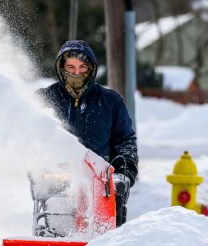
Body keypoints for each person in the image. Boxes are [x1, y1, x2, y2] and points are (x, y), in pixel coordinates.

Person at [36, 40, 138, 227]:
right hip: (58, 184)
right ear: (61, 67)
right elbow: (31, 138)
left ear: (91, 68)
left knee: (103, 235)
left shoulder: (110, 101)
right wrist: (37, 168)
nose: (76, 72)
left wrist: (125, 171)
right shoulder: (45, 98)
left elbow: (125, 141)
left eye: (82, 67)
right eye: (71, 67)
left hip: (102, 185)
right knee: (56, 229)